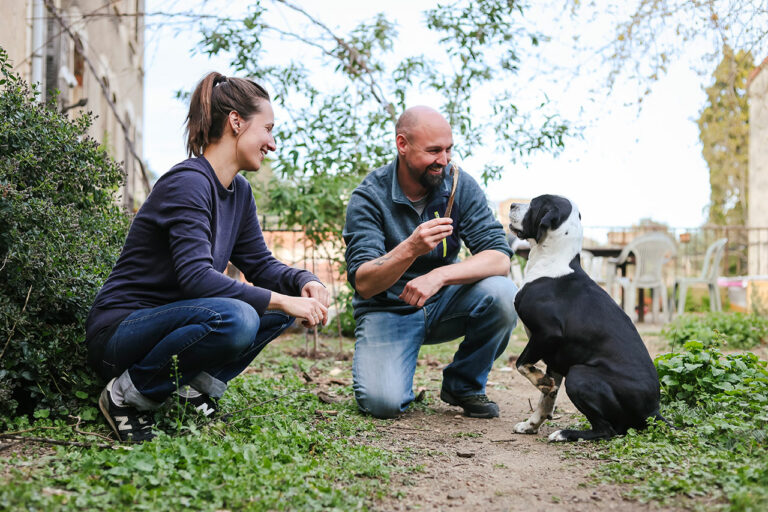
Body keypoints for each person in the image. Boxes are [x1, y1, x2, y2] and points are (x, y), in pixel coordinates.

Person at [86, 72, 330, 442]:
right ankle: (125, 395)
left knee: (277, 309)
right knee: (241, 315)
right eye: (267, 129)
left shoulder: (239, 191)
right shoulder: (188, 182)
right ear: (236, 122)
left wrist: (304, 283)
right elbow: (196, 278)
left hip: (177, 323)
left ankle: (194, 389)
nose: (272, 143)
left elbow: (261, 266)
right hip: (121, 333)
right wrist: (283, 301)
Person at [343, 106, 518, 419]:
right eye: (434, 151)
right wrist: (411, 247)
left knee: (504, 294)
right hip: (387, 308)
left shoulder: (459, 185)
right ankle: (395, 376)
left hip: (445, 302)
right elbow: (365, 283)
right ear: (402, 145)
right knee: (383, 403)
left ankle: (464, 384)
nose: (444, 160)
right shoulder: (369, 197)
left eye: (449, 149)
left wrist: (439, 276)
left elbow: (499, 257)